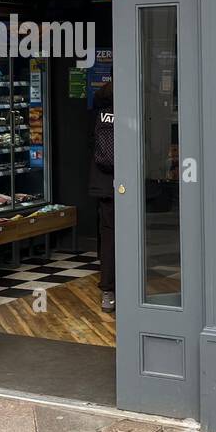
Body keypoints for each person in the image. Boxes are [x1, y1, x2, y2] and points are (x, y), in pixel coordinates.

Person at [87, 79, 116, 312]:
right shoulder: (137, 102)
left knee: (108, 237)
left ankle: (108, 292)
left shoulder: (98, 104)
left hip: (104, 183)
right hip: (130, 183)